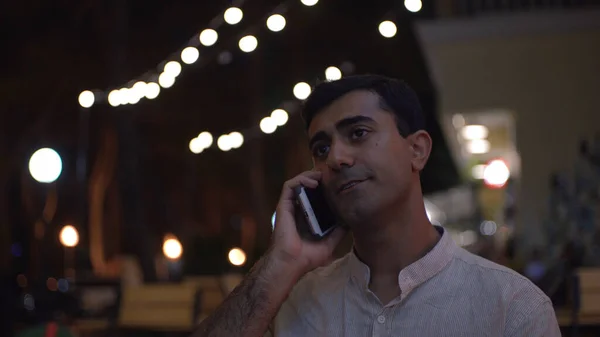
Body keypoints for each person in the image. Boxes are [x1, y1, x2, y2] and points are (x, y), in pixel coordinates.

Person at [192, 75, 560, 336]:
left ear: (417, 150)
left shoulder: (511, 307)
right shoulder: (292, 302)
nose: (336, 157)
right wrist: (281, 262)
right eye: (321, 148)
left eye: (358, 133)